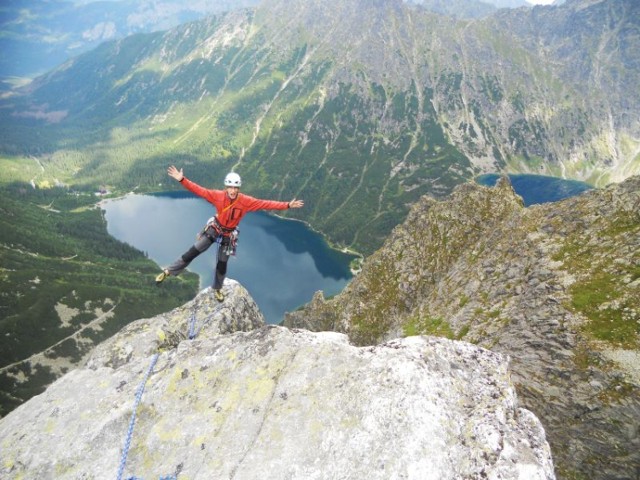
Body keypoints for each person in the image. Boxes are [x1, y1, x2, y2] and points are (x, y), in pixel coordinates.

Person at [155, 165, 304, 302]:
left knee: (222, 264)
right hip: (215, 228)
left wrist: (287, 205)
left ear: (239, 188)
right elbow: (199, 190)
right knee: (193, 251)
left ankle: (217, 289)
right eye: (230, 187)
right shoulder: (217, 196)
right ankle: (169, 271)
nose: (232, 191)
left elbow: (266, 204)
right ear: (226, 187)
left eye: (235, 188)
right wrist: (182, 179)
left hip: (229, 234)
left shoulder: (246, 201)